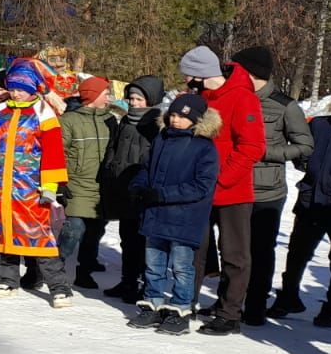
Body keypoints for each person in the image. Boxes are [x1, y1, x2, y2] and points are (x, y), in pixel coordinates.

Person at [0, 58, 73, 307]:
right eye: (12, 88)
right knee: (4, 234)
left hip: (30, 189)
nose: (15, 93)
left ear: (33, 88)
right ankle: (8, 279)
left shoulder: (44, 113)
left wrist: (50, 186)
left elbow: (53, 152)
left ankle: (59, 287)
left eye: (21, 89)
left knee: (39, 237)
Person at [177, 45, 266, 336]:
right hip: (199, 189)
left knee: (234, 255)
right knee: (195, 249)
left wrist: (222, 178)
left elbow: (252, 146)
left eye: (189, 75)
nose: (186, 81)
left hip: (232, 191)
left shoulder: (243, 97)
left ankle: (229, 313)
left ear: (201, 74)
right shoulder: (200, 97)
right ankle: (185, 301)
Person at [229, 46, 314, 325]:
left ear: (253, 73)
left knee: (260, 251)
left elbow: (304, 146)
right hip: (232, 184)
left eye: (238, 69)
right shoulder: (233, 98)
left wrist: (263, 152)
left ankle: (255, 306)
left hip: (266, 190)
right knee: (231, 249)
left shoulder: (285, 106)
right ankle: (228, 304)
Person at [127, 93, 222, 335]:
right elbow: (147, 168)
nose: (176, 120)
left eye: (182, 116)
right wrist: (139, 185)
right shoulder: (162, 139)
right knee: (153, 264)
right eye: (173, 115)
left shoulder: (204, 147)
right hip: (155, 215)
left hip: (184, 217)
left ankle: (181, 308)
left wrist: (162, 194)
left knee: (181, 266)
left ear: (196, 119)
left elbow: (202, 186)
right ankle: (152, 304)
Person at [269, 88, 331, 326]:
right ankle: (288, 296)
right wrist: (304, 162)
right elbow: (301, 147)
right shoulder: (320, 125)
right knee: (297, 253)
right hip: (311, 201)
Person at [101, 76, 166, 302]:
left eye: (139, 99)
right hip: (122, 187)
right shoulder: (126, 122)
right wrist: (109, 172)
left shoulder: (158, 125)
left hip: (143, 191)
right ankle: (127, 280)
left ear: (151, 100)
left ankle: (143, 282)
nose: (134, 103)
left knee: (143, 241)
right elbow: (114, 150)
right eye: (131, 98)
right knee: (126, 239)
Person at [58, 76, 119, 289]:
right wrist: (59, 183)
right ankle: (54, 266)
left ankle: (84, 271)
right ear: (93, 96)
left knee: (95, 230)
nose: (109, 97)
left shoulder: (110, 120)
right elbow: (58, 153)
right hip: (77, 183)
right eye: (105, 93)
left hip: (102, 186)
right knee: (74, 228)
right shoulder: (69, 121)